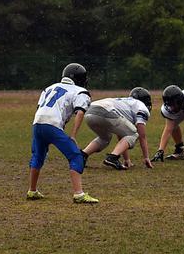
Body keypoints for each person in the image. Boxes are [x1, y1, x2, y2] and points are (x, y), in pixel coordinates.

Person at [27, 63, 98, 203]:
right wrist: (73, 135)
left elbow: (41, 107)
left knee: (38, 156)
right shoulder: (80, 92)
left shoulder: (49, 88)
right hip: (52, 125)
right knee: (76, 156)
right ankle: (79, 194)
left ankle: (32, 190)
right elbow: (80, 113)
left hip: (37, 123)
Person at [82, 87, 153, 170]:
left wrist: (127, 159)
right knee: (133, 134)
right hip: (106, 111)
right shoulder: (141, 107)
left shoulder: (125, 102)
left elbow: (121, 134)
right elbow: (142, 135)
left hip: (90, 111)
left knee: (105, 138)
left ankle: (82, 156)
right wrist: (146, 157)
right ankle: (112, 158)